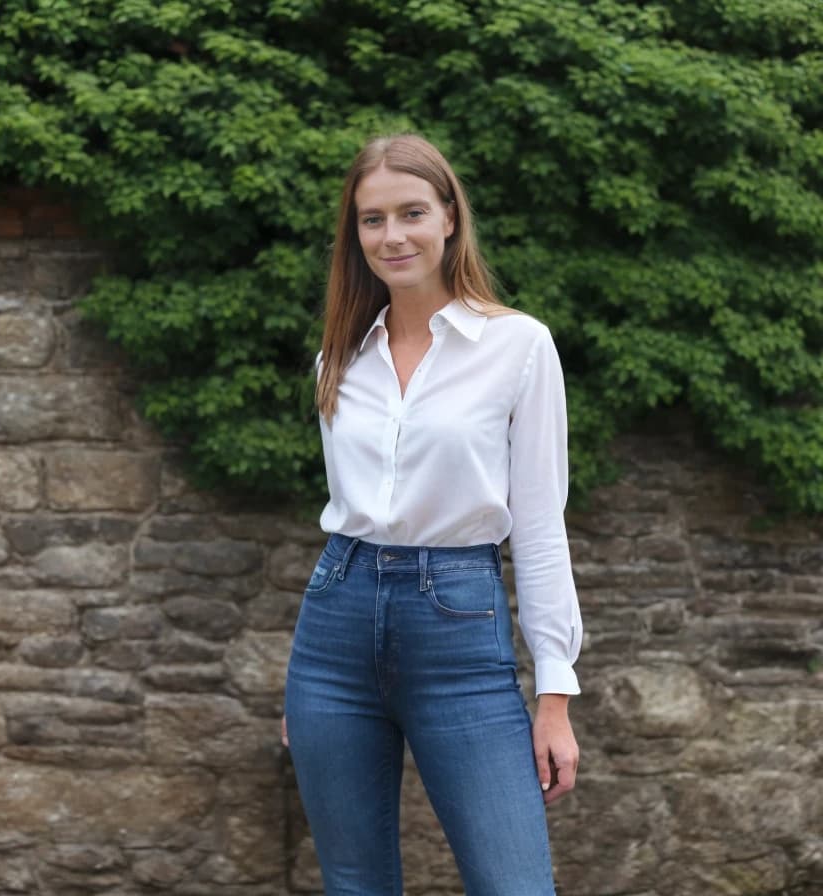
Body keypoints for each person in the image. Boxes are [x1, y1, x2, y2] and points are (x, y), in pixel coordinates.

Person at [281, 133, 583, 896]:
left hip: (458, 626)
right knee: (355, 884)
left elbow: (541, 527)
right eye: (372, 219)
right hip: (334, 631)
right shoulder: (339, 358)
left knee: (514, 884)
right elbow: (347, 517)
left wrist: (555, 696)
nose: (393, 236)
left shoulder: (518, 346)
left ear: (450, 217)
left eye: (412, 212)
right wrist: (305, 692)